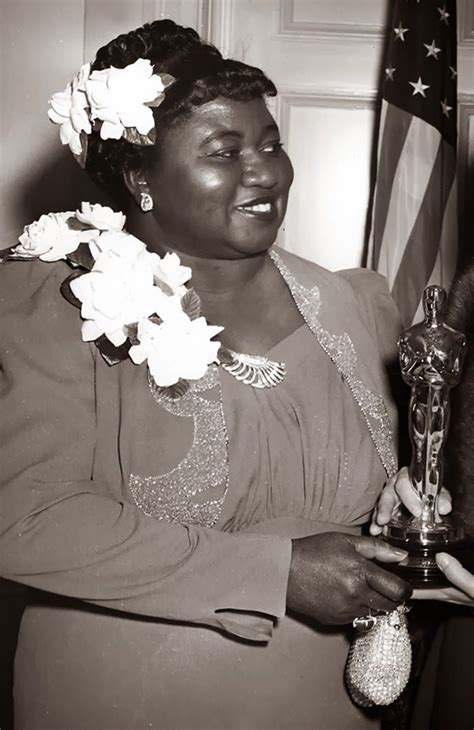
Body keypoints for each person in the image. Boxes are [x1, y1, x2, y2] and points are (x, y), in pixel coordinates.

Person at [0, 19, 471, 730]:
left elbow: (391, 496)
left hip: (329, 709)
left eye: (271, 143)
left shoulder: (355, 303)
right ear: (139, 177)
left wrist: (405, 521)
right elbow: (26, 519)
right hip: (118, 703)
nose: (265, 171)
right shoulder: (64, 301)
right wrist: (274, 574)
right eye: (225, 151)